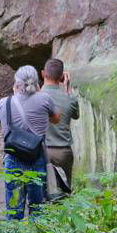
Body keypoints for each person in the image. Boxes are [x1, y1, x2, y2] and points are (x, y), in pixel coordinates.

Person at [0, 65, 61, 220]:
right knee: (37, 208)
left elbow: (3, 125)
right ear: (36, 82)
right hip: (36, 158)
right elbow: (57, 119)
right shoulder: (44, 98)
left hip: (12, 159)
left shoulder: (4, 103)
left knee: (14, 209)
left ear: (16, 84)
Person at [41, 58, 79, 187]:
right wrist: (68, 88)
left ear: (43, 74)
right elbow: (76, 115)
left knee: (42, 193)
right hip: (64, 152)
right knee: (64, 192)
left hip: (42, 151)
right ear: (62, 76)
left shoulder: (35, 97)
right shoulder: (70, 98)